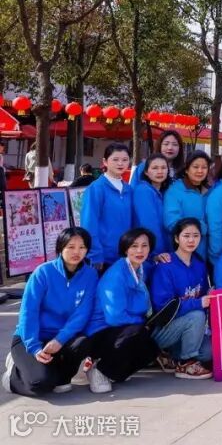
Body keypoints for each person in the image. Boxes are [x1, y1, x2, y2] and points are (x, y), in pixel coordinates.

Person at [3, 228, 97, 396]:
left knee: (83, 343)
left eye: (82, 247)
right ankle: (12, 377)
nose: (76, 252)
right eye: (71, 247)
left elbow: (82, 314)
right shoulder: (43, 272)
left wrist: (60, 340)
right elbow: (28, 312)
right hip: (31, 337)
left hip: (61, 338)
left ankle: (61, 378)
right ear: (60, 248)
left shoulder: (90, 275)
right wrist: (34, 347)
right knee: (40, 384)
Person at [85, 228, 160, 393]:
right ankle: (98, 370)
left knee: (151, 349)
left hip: (123, 327)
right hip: (101, 331)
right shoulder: (116, 275)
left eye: (144, 246)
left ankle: (114, 372)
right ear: (125, 249)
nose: (140, 251)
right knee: (138, 334)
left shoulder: (140, 269)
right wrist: (143, 323)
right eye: (134, 246)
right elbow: (115, 317)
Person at [149, 218, 212, 379]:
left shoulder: (199, 264)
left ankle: (170, 356)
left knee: (209, 352)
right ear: (177, 238)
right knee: (197, 315)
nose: (191, 240)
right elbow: (163, 307)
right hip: (164, 329)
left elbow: (203, 294)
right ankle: (185, 364)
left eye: (196, 236)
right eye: (186, 236)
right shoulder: (166, 265)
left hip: (188, 329)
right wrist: (198, 303)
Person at [80, 143, 136, 270]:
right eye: (115, 159)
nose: (120, 163)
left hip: (126, 255)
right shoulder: (96, 188)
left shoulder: (129, 189)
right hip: (103, 258)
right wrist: (95, 254)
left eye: (125, 160)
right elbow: (89, 223)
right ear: (105, 162)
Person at [163, 152, 212, 261]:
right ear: (186, 169)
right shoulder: (175, 191)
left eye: (204, 167)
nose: (200, 171)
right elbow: (171, 223)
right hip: (182, 253)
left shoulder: (210, 190)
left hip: (205, 253)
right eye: (195, 167)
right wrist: (202, 227)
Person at [133, 154, 171, 258]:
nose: (160, 171)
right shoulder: (143, 191)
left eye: (163, 168)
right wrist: (156, 252)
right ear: (146, 172)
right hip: (152, 253)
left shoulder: (161, 192)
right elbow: (149, 224)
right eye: (155, 168)